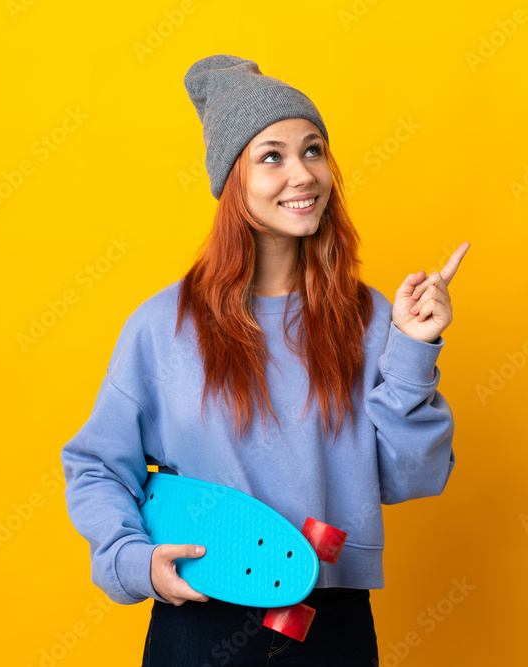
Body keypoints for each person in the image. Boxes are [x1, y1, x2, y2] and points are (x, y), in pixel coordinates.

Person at [60, 54, 470, 665]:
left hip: (330, 622)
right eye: (271, 156)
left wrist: (412, 349)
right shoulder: (164, 326)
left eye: (313, 150)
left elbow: (410, 478)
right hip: (200, 623)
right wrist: (133, 560)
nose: (301, 174)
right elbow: (95, 465)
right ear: (233, 183)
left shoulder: (369, 317)